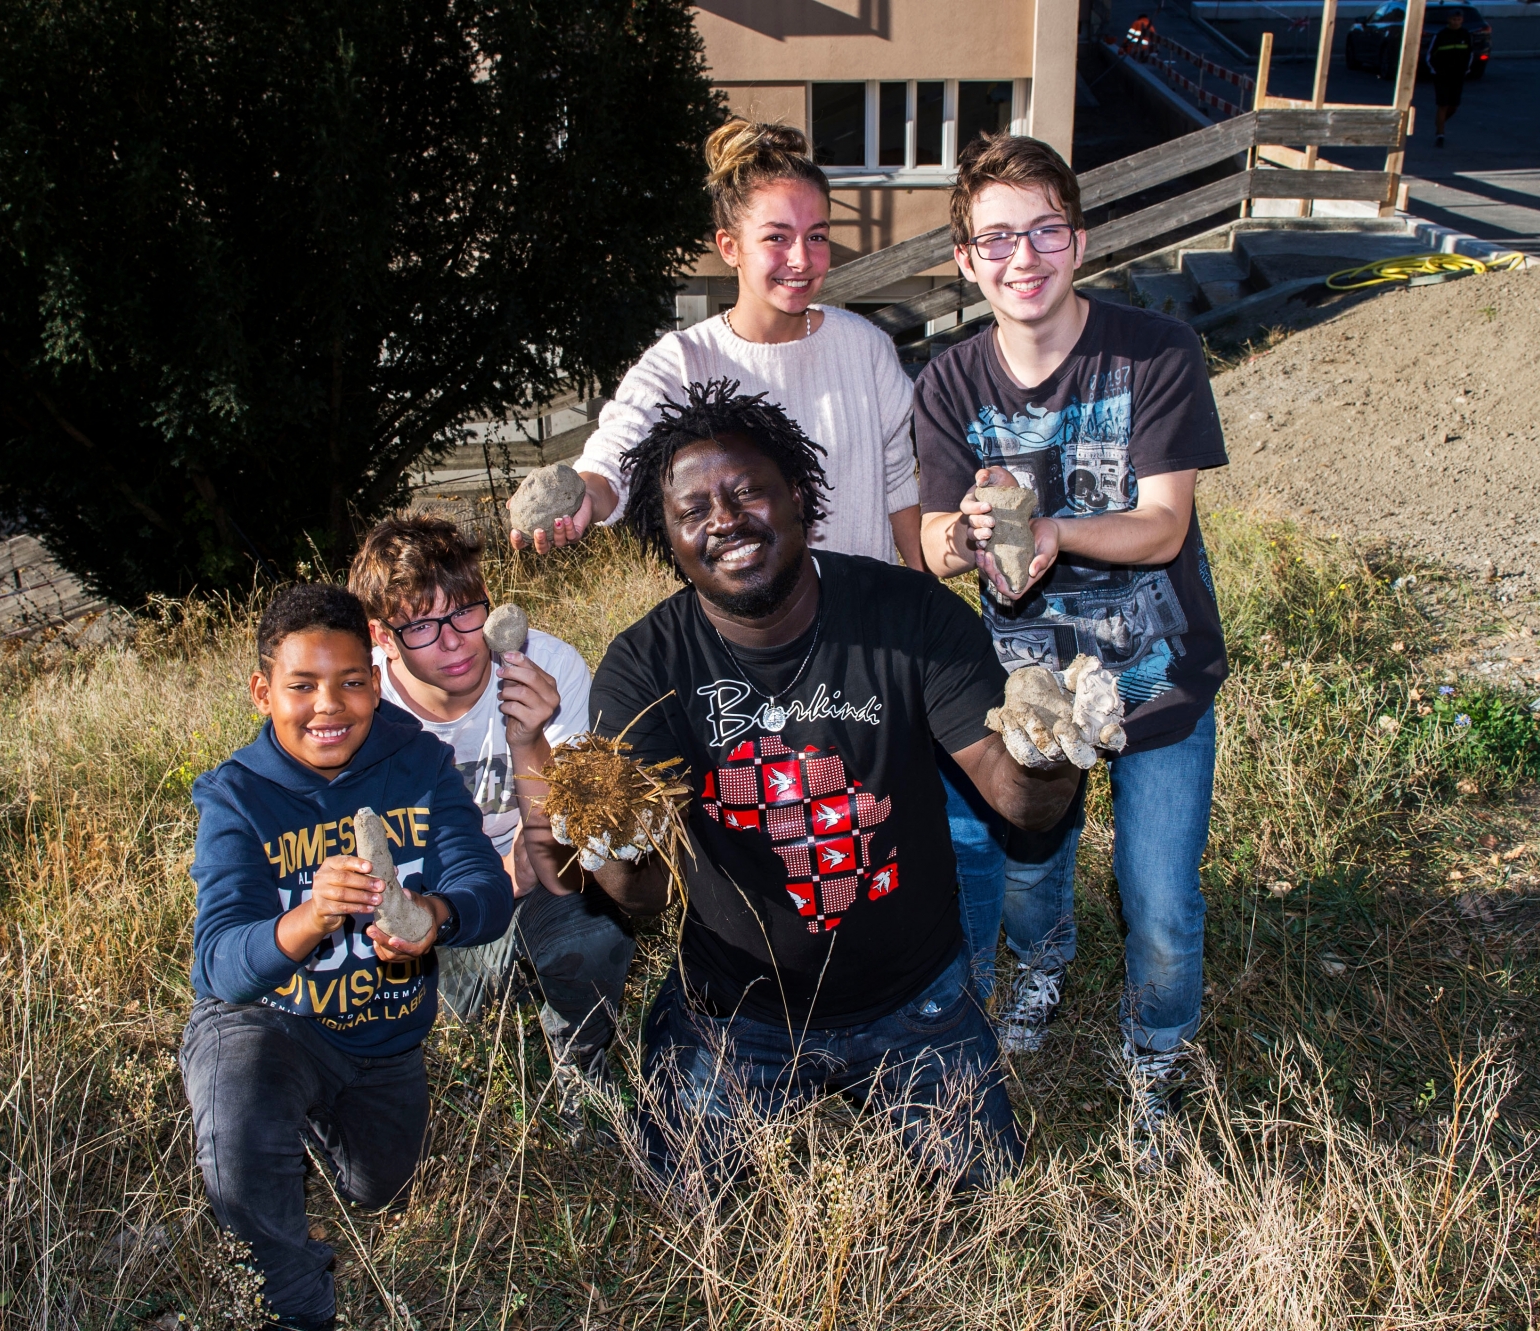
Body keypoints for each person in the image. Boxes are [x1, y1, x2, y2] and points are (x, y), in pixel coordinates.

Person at [583, 380, 1081, 1188]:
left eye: (748, 490)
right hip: (736, 1011)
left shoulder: (908, 612)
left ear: (801, 497)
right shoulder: (647, 666)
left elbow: (1019, 802)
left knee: (984, 1196)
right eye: (693, 510)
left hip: (913, 997)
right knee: (685, 1197)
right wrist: (614, 839)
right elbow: (638, 898)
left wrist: (1047, 751)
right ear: (665, 539)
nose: (725, 518)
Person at [913, 134, 1229, 1155]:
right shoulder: (951, 383)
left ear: (1077, 238)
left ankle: (1155, 1049)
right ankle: (1043, 963)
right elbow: (922, 533)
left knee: (1161, 901)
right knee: (1024, 867)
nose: (1023, 256)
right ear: (966, 259)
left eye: (1043, 229)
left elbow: (1161, 524)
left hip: (1154, 671)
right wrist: (960, 538)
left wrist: (1050, 531)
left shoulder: (1154, 351)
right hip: (1025, 687)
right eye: (995, 238)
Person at [179, 584, 513, 1330]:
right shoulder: (235, 796)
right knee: (239, 1120)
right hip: (271, 1026)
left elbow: (485, 889)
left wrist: (434, 914)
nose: (328, 705)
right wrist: (311, 914)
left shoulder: (421, 765)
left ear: (376, 679)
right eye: (302, 685)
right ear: (264, 691)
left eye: (351, 682)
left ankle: (309, 1125)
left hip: (382, 1038)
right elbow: (220, 964)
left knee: (381, 1187)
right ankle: (298, 1305)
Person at [512, 118, 923, 571]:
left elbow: (898, 482)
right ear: (730, 247)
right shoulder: (683, 362)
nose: (802, 259)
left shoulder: (865, 348)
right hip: (749, 633)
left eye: (817, 236)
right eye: (776, 237)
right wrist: (585, 493)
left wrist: (928, 602)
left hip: (866, 622)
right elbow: (615, 455)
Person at [347, 515, 627, 1139]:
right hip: (441, 903)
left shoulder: (545, 664)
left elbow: (575, 840)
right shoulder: (357, 704)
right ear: (381, 637)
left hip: (542, 885)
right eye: (420, 625)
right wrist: (486, 886)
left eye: (466, 612)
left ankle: (581, 1058)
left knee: (598, 916)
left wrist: (530, 736)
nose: (455, 642)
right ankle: (508, 984)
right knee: (447, 1008)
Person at [1429, 9, 1476, 148]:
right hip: (1442, 76)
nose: (1456, 22)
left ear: (1462, 20)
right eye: (1453, 19)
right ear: (1449, 20)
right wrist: (1436, 71)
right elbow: (1430, 56)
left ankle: (1440, 122)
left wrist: (1466, 70)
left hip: (1458, 76)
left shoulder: (1466, 35)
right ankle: (1440, 134)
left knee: (1454, 106)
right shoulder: (1441, 35)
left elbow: (1470, 54)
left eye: (1458, 20)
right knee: (1442, 104)